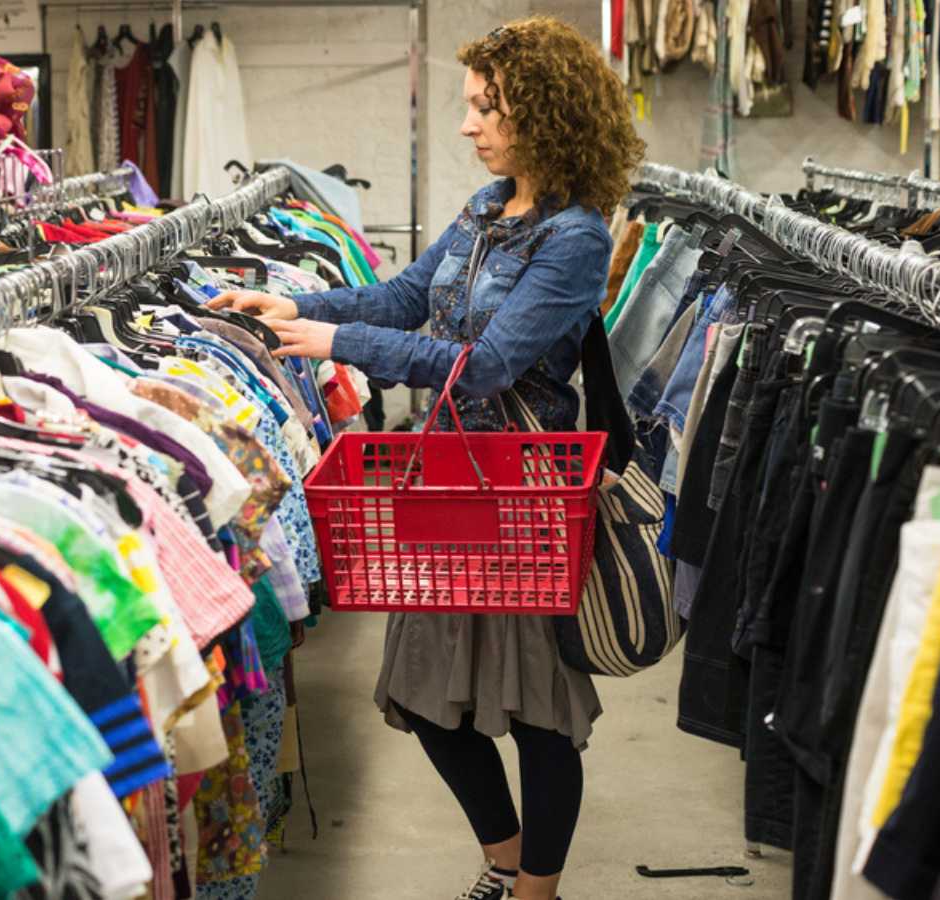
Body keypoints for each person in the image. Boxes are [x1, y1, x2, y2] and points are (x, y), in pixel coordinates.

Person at [208, 17, 645, 900]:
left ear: (545, 113)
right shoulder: (486, 208)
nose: (467, 124)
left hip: (522, 491)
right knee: (421, 692)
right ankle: (505, 853)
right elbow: (406, 296)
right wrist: (289, 305)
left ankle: (534, 888)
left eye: (487, 107)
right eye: (471, 106)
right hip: (442, 478)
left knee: (538, 711)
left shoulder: (577, 238)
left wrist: (335, 339)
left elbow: (484, 364)